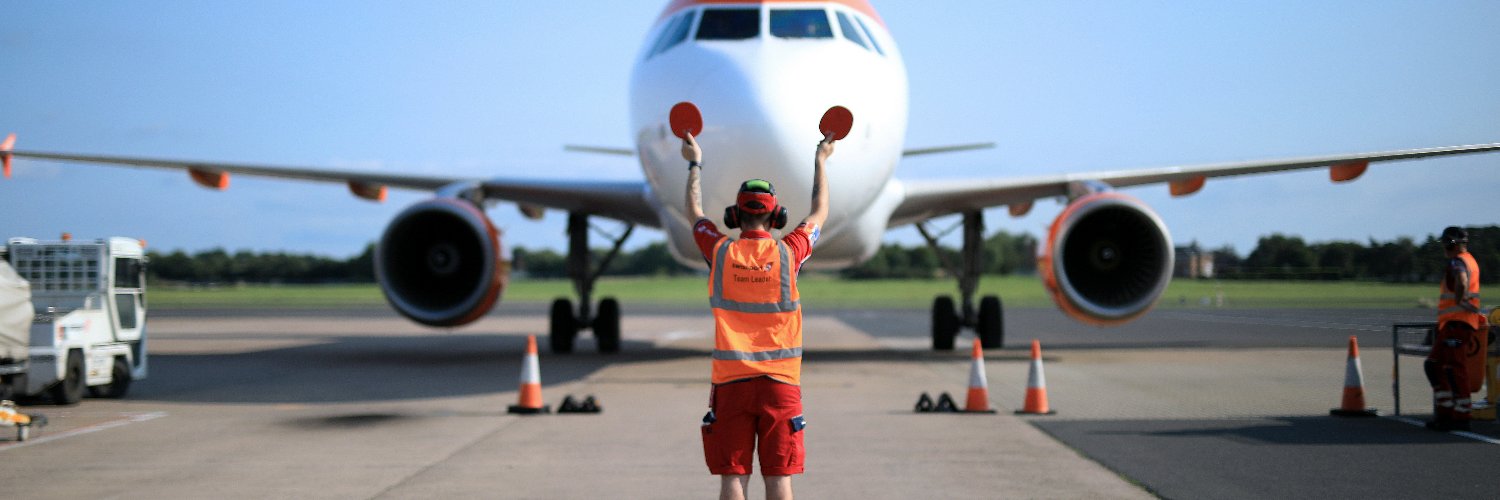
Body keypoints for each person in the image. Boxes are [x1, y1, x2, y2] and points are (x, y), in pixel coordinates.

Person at [682, 130, 833, 500]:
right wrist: (821, 161)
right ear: (777, 215)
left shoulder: (720, 253)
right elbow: (819, 212)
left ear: (735, 215)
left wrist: (694, 162)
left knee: (733, 477)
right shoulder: (789, 252)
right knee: (779, 478)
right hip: (781, 383)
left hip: (731, 382)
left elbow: (695, 213)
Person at [1426, 226, 1484, 431]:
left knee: (1453, 368)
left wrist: (1460, 297)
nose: (1443, 247)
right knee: (1434, 365)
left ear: (1452, 243)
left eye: (1445, 243)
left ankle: (1460, 415)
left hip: (1458, 323)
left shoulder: (1457, 262)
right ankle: (1447, 411)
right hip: (1454, 323)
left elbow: (1461, 280)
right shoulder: (1469, 260)